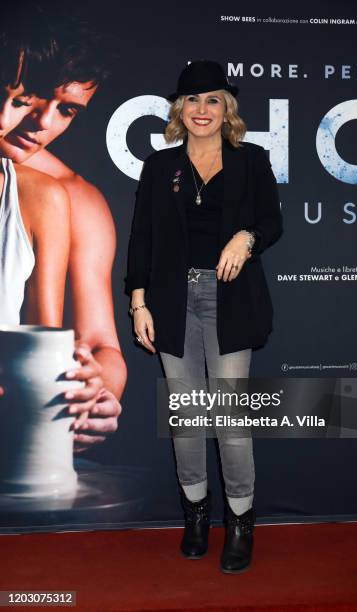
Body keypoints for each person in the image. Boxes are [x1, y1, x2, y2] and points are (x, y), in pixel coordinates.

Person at [126, 60, 283, 573]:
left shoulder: (252, 161)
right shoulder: (158, 166)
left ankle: (240, 521)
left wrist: (245, 237)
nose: (201, 110)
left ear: (226, 108)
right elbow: (141, 241)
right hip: (171, 303)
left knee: (230, 419)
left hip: (230, 299)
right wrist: (138, 302)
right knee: (188, 419)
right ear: (179, 109)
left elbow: (271, 221)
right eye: (192, 100)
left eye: (212, 99)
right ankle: (195, 516)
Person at [0, 7, 125, 448]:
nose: (44, 123)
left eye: (68, 110)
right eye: (32, 96)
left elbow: (100, 345)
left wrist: (97, 391)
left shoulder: (75, 199)